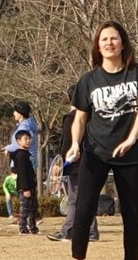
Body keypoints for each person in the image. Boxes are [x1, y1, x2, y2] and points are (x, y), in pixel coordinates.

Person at [66, 20, 138, 260]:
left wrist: (132, 139)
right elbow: (80, 119)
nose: (109, 43)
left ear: (123, 43)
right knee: (83, 210)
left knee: (131, 214)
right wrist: (75, 144)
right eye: (104, 39)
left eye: (114, 38)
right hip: (96, 153)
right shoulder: (88, 80)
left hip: (130, 155)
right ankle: (78, 256)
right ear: (97, 46)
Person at [47, 85, 99, 243]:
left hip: (76, 164)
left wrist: (60, 162)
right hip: (93, 162)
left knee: (75, 199)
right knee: (84, 198)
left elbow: (67, 142)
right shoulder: (94, 117)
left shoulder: (71, 117)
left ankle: (68, 231)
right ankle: (91, 232)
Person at [11, 130, 39, 235]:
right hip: (25, 187)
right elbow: (22, 173)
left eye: (29, 139)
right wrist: (26, 188)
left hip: (31, 185)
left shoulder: (26, 155)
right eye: (25, 139)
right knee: (25, 209)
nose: (28, 141)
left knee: (33, 208)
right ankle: (22, 228)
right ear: (18, 141)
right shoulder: (21, 156)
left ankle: (33, 228)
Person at [2, 101, 39, 170]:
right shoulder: (27, 125)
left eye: (15, 111)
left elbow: (20, 144)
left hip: (24, 162)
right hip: (28, 161)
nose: (14, 113)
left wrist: (7, 148)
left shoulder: (24, 127)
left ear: (21, 113)